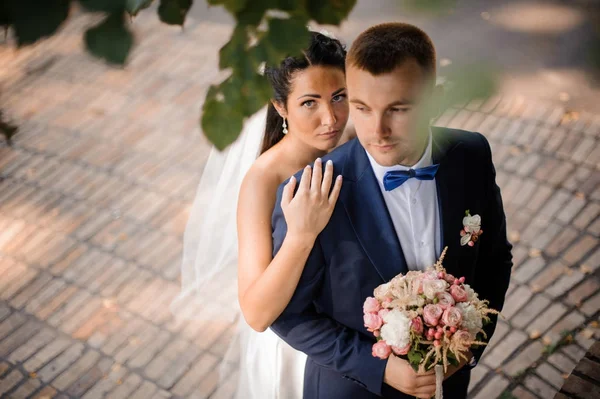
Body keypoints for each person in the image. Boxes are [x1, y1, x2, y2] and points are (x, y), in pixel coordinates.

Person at [270, 22, 513, 399]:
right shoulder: (311, 192)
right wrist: (377, 367)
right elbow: (288, 315)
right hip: (352, 390)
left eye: (398, 109)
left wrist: (470, 344)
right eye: (362, 108)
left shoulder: (471, 155)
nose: (377, 131)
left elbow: (496, 260)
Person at [174, 30, 350, 398]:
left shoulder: (351, 140)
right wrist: (302, 235)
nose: (330, 117)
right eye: (309, 103)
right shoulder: (263, 182)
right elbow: (256, 313)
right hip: (302, 350)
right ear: (281, 106)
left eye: (339, 97)